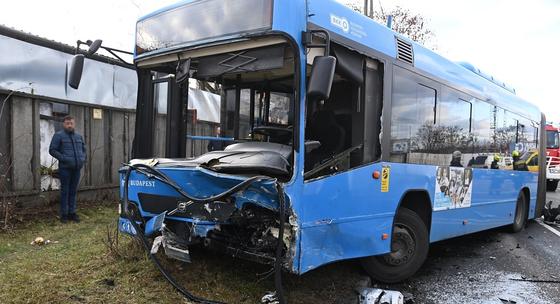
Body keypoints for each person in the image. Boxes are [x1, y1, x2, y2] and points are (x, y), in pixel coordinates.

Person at [49, 116, 86, 223]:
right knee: (65, 191)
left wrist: (82, 159)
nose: (69, 125)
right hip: (65, 168)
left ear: (74, 124)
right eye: (67, 123)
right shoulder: (58, 136)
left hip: (77, 168)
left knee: (73, 191)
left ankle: (72, 213)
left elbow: (84, 149)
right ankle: (64, 215)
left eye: (71, 123)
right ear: (63, 124)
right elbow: (52, 150)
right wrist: (64, 158)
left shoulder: (79, 136)